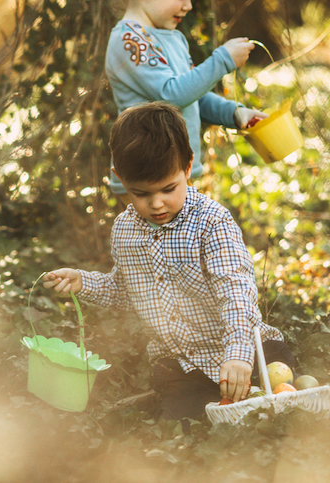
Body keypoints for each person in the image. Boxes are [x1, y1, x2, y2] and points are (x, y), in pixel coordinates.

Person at [43, 102, 295, 421]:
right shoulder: (125, 230)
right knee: (182, 425)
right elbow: (128, 291)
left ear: (188, 168)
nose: (157, 203)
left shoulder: (211, 223)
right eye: (141, 194)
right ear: (121, 179)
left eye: (168, 188)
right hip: (182, 364)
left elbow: (237, 295)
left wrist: (238, 357)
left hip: (250, 354)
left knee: (277, 410)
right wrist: (84, 283)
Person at [106, 0, 267, 199]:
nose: (188, 5)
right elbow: (171, 95)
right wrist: (222, 61)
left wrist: (234, 113)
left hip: (173, 175)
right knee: (148, 247)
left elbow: (191, 96)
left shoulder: (172, 37)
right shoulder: (129, 40)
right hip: (143, 183)